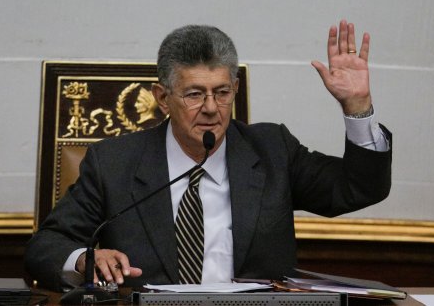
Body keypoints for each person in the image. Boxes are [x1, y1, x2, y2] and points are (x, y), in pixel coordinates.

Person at [25, 21, 392, 291]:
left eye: (221, 92)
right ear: (163, 97)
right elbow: (47, 245)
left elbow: (359, 188)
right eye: (194, 94)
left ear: (234, 89)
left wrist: (357, 107)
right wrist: (86, 259)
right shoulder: (115, 163)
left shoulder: (271, 150)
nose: (211, 108)